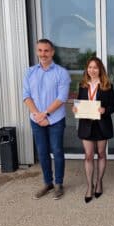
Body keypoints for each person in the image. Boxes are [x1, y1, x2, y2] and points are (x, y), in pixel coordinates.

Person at [23, 39, 71, 200]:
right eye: (40, 50)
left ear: (52, 52)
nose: (43, 54)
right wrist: (37, 114)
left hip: (55, 119)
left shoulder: (61, 73)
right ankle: (47, 183)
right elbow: (26, 96)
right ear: (37, 52)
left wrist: (46, 114)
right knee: (42, 152)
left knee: (57, 151)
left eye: (46, 51)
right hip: (36, 119)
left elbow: (62, 98)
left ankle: (58, 183)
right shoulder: (30, 72)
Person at [72, 57, 114, 203]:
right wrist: (75, 108)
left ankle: (99, 182)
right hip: (86, 124)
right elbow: (79, 101)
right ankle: (89, 186)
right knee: (89, 155)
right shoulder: (83, 85)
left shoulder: (107, 85)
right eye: (90, 67)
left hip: (102, 124)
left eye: (95, 67)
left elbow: (113, 106)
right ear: (87, 69)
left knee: (101, 154)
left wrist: (105, 109)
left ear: (100, 69)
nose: (92, 70)